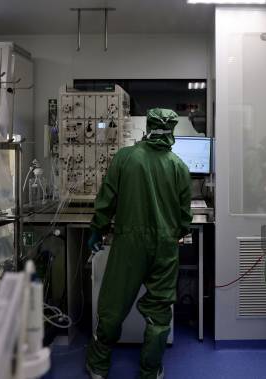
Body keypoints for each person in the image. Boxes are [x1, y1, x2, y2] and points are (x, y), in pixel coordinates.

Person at [86, 108, 192, 379]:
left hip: (129, 245)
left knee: (112, 306)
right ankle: (150, 370)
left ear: (148, 127)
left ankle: (98, 367)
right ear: (172, 131)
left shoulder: (125, 157)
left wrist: (97, 230)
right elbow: (184, 219)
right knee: (159, 313)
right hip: (165, 248)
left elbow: (107, 199)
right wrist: (170, 233)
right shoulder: (179, 166)